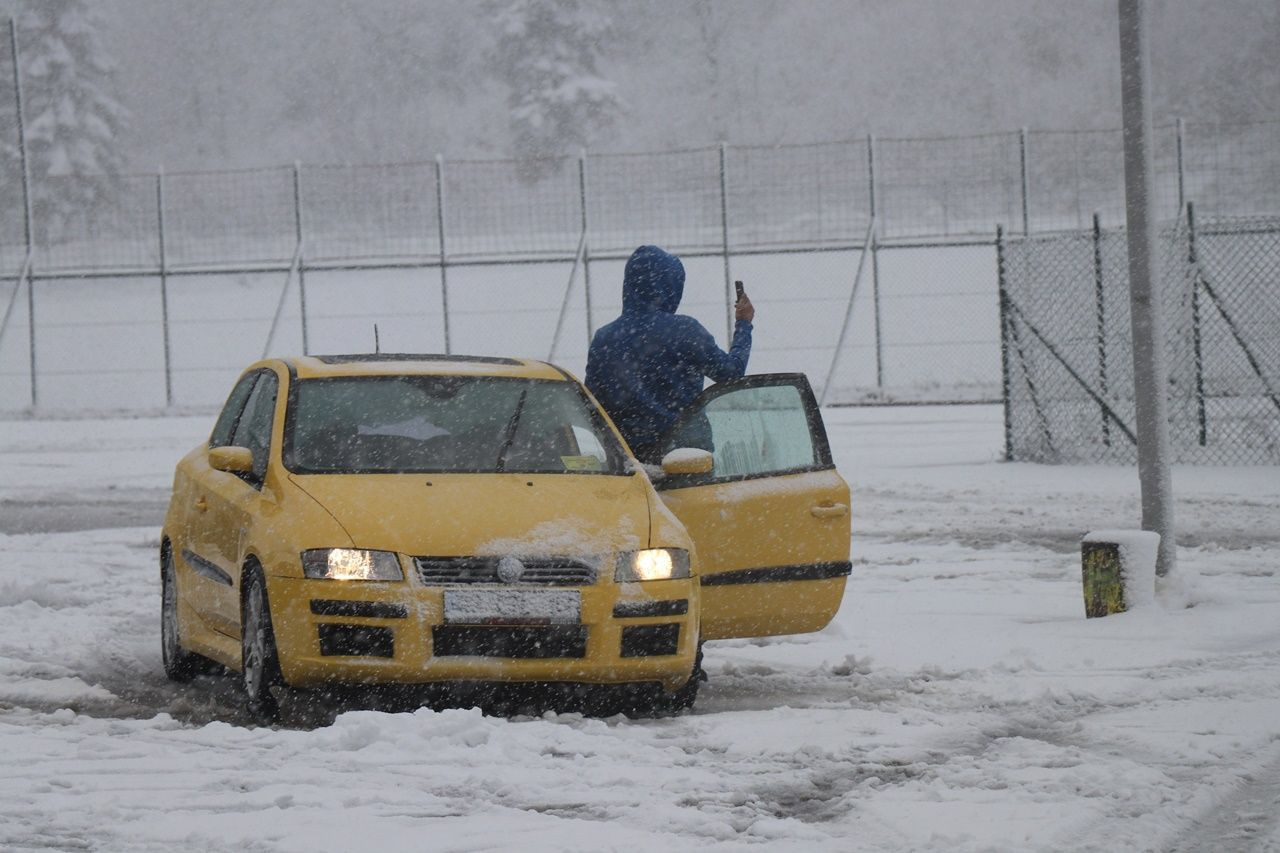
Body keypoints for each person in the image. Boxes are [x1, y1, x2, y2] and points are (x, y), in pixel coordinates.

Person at [585, 244, 754, 462]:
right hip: (687, 461)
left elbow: (591, 406)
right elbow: (731, 374)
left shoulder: (605, 338)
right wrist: (744, 325)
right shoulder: (685, 330)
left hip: (630, 464)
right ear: (671, 287)